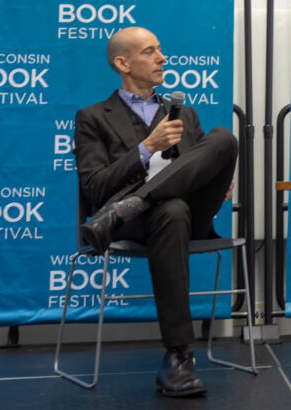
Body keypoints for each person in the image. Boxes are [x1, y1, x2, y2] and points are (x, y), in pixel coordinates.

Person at [74, 26, 238, 398]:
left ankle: (133, 202)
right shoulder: (93, 118)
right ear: (123, 63)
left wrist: (215, 180)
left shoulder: (184, 114)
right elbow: (96, 188)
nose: (162, 58)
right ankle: (179, 358)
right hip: (140, 224)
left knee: (224, 138)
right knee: (173, 209)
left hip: (182, 214)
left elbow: (197, 173)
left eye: (160, 50)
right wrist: (146, 148)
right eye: (150, 52)